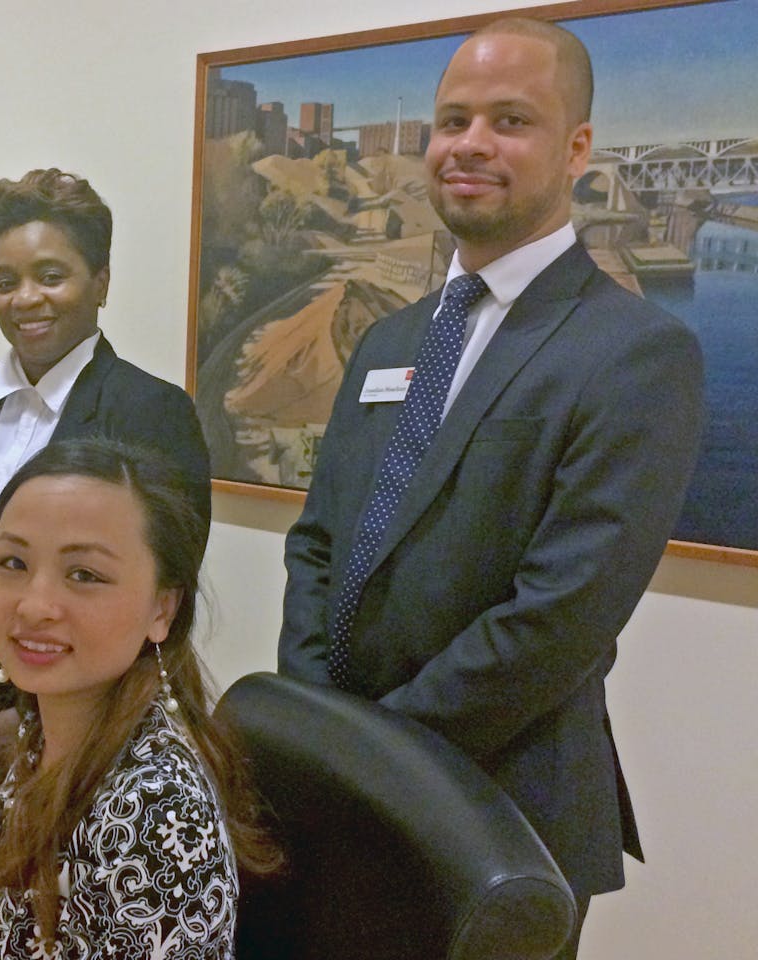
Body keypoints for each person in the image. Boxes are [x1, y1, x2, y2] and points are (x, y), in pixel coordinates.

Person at [277, 17, 704, 957]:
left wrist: (377, 755)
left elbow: (561, 614)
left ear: (577, 149)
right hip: (342, 795)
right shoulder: (392, 342)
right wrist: (320, 734)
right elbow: (319, 542)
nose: (470, 144)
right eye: (453, 120)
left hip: (498, 816)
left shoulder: (637, 353)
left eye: (511, 120)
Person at [0, 168, 211, 950]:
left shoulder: (150, 411)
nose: (26, 299)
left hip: (87, 704)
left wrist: (33, 719)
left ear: (100, 282)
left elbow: (159, 588)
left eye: (52, 275)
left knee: (75, 909)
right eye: (6, 281)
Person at [0, 437, 276, 960]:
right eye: (13, 562)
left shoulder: (155, 814)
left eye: (84, 574)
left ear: (162, 609)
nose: (35, 604)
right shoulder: (49, 728)